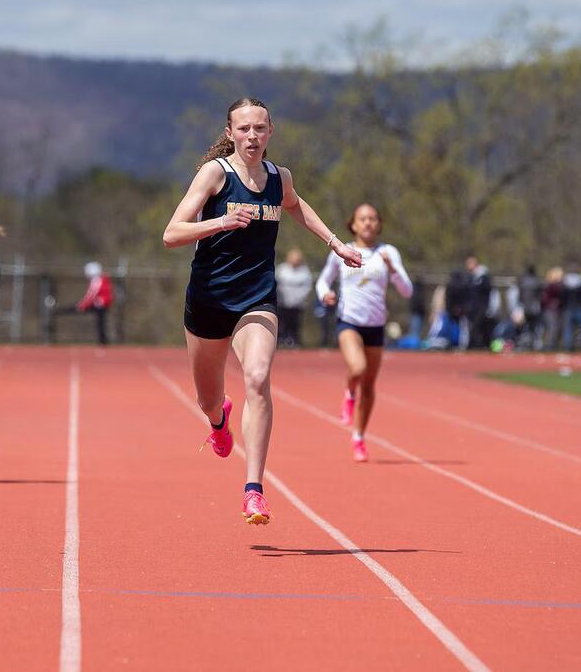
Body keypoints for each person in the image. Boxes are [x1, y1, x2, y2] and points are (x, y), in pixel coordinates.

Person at [162, 97, 361, 525]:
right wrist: (220, 222)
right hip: (209, 299)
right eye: (245, 129)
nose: (253, 136)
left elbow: (297, 206)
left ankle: (253, 489)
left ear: (271, 132)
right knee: (207, 398)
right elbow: (172, 233)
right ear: (231, 133)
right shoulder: (215, 174)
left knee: (257, 376)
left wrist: (335, 243)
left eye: (260, 128)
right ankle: (219, 422)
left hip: (257, 296)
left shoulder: (278, 177)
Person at [316, 203, 412, 462]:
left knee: (369, 385)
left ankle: (359, 437)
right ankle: (349, 393)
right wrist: (325, 294)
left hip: (376, 326)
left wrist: (392, 269)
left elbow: (406, 291)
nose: (368, 223)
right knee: (357, 369)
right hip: (350, 322)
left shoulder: (388, 252)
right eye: (363, 219)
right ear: (354, 224)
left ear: (379, 224)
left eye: (372, 218)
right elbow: (323, 280)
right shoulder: (343, 250)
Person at [275, 248, 313, 348]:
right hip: (282, 303)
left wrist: (300, 298)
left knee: (295, 323)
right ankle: (280, 341)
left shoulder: (304, 271)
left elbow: (307, 287)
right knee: (281, 323)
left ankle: (294, 341)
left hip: (297, 304)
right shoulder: (281, 269)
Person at [77, 261, 113, 344]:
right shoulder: (102, 279)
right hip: (102, 304)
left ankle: (102, 340)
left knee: (101, 323)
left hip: (100, 305)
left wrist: (83, 305)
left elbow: (91, 295)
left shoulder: (97, 280)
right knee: (101, 323)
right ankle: (103, 340)